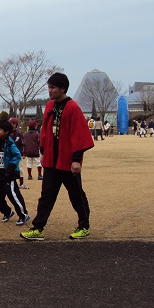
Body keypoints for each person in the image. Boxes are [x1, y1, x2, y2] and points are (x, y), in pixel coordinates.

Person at [21, 73, 95, 241]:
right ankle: (37, 228)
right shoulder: (50, 106)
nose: (50, 90)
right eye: (49, 87)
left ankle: (84, 227)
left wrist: (76, 159)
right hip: (51, 162)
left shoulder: (73, 107)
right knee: (46, 196)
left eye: (53, 87)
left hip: (68, 162)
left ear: (62, 88)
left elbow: (79, 134)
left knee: (76, 195)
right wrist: (42, 149)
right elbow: (46, 130)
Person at [0, 119, 30, 225]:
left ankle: (23, 215)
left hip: (8, 175)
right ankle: (7, 212)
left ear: (6, 132)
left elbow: (17, 155)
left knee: (13, 195)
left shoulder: (9, 143)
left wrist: (11, 167)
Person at [8, 117, 28, 189]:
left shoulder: (19, 133)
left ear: (15, 124)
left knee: (20, 168)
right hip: (8, 154)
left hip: (17, 154)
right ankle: (9, 182)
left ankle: (21, 183)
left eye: (11, 123)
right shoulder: (7, 132)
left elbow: (22, 143)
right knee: (9, 168)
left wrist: (23, 153)